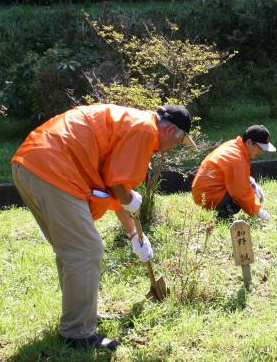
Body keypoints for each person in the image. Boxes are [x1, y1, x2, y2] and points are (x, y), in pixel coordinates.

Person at [11, 104, 196, 351]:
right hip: (54, 168)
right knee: (85, 251)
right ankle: (77, 334)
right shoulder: (144, 129)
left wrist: (134, 234)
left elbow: (113, 189)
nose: (172, 149)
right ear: (170, 129)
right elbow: (118, 186)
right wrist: (130, 200)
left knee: (73, 252)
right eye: (178, 140)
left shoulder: (130, 123)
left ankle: (82, 317)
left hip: (32, 165)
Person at [192, 125, 276, 220]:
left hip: (203, 192)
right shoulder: (237, 159)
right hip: (208, 197)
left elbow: (234, 175)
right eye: (260, 148)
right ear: (249, 142)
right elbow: (241, 193)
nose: (261, 152)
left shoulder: (234, 145)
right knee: (237, 201)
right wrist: (258, 212)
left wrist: (251, 183)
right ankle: (223, 217)